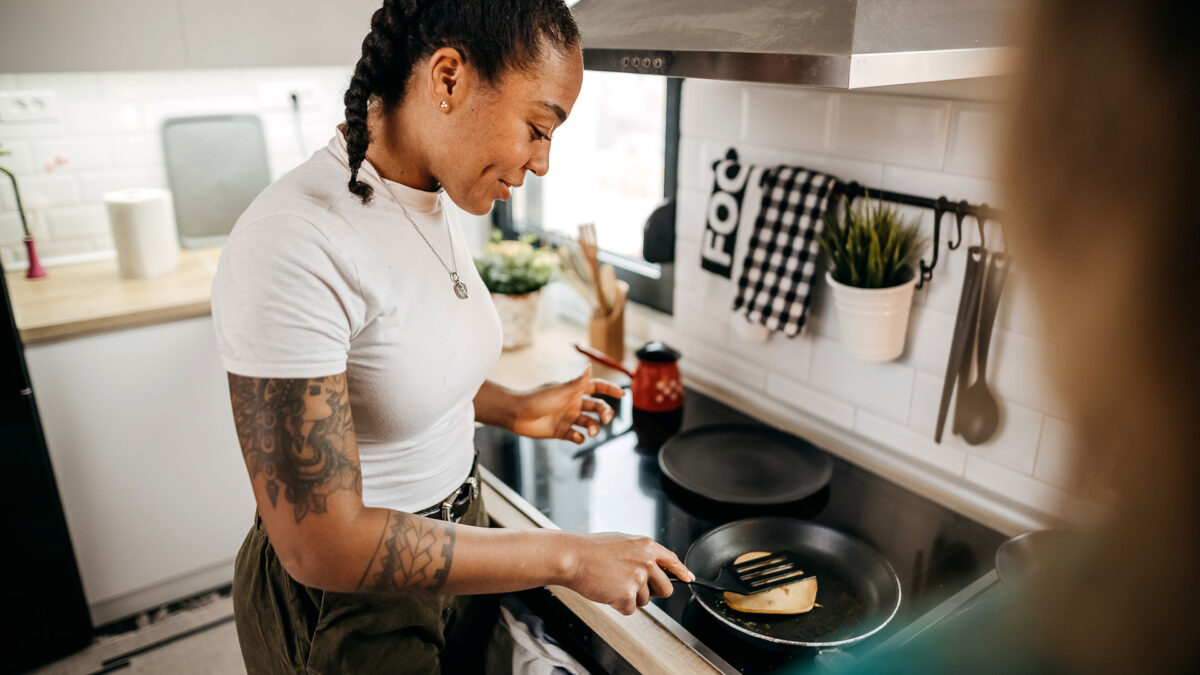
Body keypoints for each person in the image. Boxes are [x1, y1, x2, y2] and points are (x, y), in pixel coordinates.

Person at [210, 1, 693, 673]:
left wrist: (515, 406)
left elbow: (395, 371)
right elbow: (319, 543)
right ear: (447, 79)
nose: (543, 161)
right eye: (537, 126)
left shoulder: (429, 194)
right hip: (350, 609)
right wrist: (570, 555)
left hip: (463, 544)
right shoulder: (293, 239)